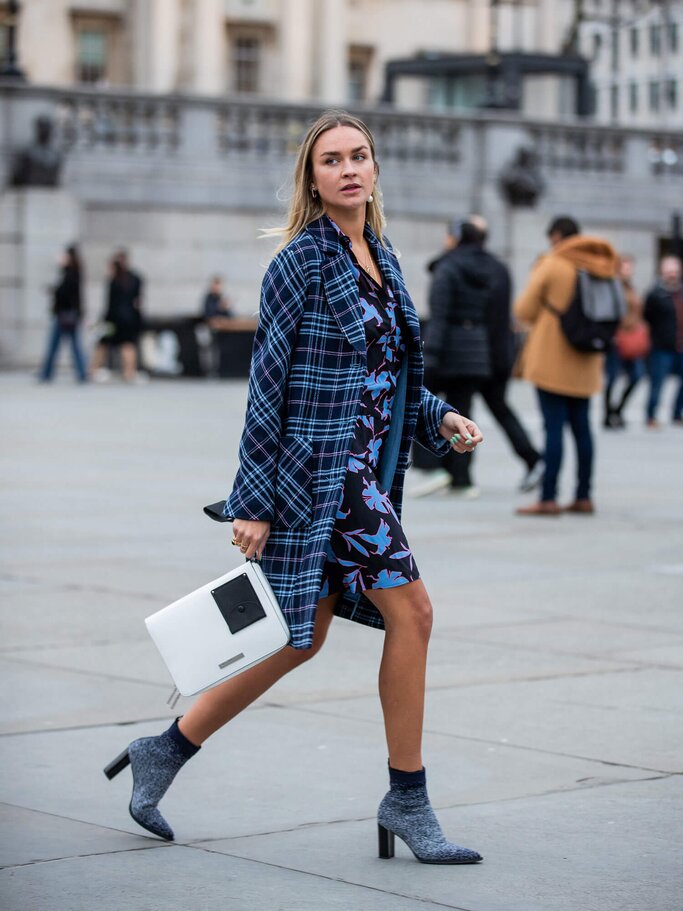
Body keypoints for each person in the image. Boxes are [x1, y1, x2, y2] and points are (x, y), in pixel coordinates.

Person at [104, 110, 484, 865]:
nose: (348, 168)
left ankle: (164, 749)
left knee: (295, 638)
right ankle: (406, 795)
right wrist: (251, 500)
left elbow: (387, 371)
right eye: (332, 159)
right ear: (312, 178)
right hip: (322, 477)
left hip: (365, 468)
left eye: (360, 155)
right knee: (414, 612)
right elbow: (266, 386)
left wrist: (438, 416)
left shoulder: (381, 253)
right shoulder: (298, 262)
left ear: (375, 170)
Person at [414, 216, 542, 498]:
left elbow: (440, 315)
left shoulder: (448, 268)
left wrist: (429, 354)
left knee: (422, 404)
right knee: (463, 411)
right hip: (483, 352)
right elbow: (496, 317)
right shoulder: (494, 269)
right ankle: (459, 475)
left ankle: (438, 468)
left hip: (452, 353)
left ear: (456, 238)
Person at [514, 215, 619, 516]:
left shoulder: (554, 263)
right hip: (587, 361)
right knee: (583, 429)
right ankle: (584, 495)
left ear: (557, 236)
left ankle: (548, 497)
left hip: (552, 360)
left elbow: (523, 309)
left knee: (554, 430)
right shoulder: (602, 266)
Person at [603, 255, 646, 428]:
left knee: (636, 376)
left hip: (632, 338)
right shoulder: (613, 287)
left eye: (630, 267)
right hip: (617, 338)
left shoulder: (631, 288)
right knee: (612, 377)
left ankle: (617, 410)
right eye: (625, 267)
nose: (628, 271)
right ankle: (608, 414)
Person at [89, 250, 144, 382]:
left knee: (103, 345)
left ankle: (93, 370)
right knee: (127, 345)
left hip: (113, 319)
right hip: (128, 319)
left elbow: (110, 303)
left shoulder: (115, 280)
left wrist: (104, 320)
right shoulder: (135, 278)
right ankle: (129, 372)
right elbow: (138, 302)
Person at [643, 255, 683, 428]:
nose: (672, 275)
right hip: (661, 346)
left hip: (680, 345)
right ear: (662, 272)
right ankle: (651, 415)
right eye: (669, 271)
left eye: (675, 271)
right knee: (657, 383)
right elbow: (646, 318)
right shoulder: (655, 294)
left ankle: (677, 413)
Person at [38, 245, 88, 383]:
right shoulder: (73, 272)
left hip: (65, 315)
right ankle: (80, 373)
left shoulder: (70, 273)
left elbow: (66, 294)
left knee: (57, 345)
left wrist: (54, 291)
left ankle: (46, 373)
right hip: (69, 315)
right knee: (72, 345)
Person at [201, 276, 234, 377]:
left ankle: (219, 370)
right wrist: (219, 307)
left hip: (221, 329)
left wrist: (225, 307)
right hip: (208, 329)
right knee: (208, 349)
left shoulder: (221, 297)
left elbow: (229, 315)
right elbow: (208, 313)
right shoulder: (208, 298)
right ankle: (209, 371)